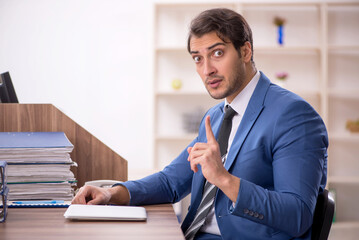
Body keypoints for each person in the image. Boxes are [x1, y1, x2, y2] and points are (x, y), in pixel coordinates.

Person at [72, 8, 328, 240]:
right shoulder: (218, 116)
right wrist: (112, 193)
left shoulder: (293, 115)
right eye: (197, 58)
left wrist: (223, 179)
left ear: (246, 51)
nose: (207, 70)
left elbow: (297, 215)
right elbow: (171, 182)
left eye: (217, 53)